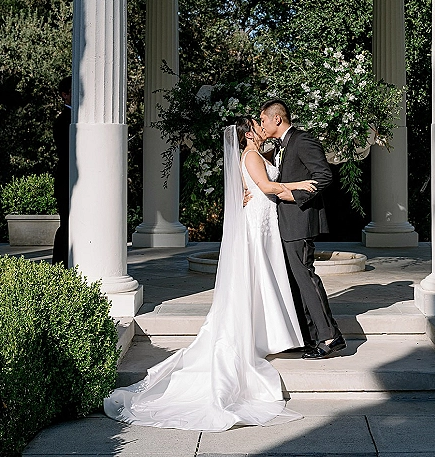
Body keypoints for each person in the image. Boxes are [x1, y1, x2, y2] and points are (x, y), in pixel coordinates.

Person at [104, 119, 316, 431]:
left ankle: (268, 333)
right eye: (258, 127)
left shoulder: (256, 157)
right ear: (247, 135)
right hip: (258, 225)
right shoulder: (252, 155)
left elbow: (257, 186)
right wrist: (301, 185)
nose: (262, 130)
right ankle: (261, 335)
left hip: (263, 222)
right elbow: (268, 187)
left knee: (263, 279)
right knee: (258, 278)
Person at [259, 99, 346, 360]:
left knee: (306, 279)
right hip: (285, 224)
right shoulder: (281, 146)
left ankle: (330, 336)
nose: (261, 124)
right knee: (296, 281)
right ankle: (310, 337)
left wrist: (293, 196)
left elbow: (324, 176)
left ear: (277, 119)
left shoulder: (302, 140)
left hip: (300, 220)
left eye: (263, 119)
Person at [52, 75, 71, 267]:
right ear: (65, 95)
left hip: (74, 182)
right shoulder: (62, 121)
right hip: (67, 182)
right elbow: (66, 153)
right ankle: (59, 268)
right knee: (67, 226)